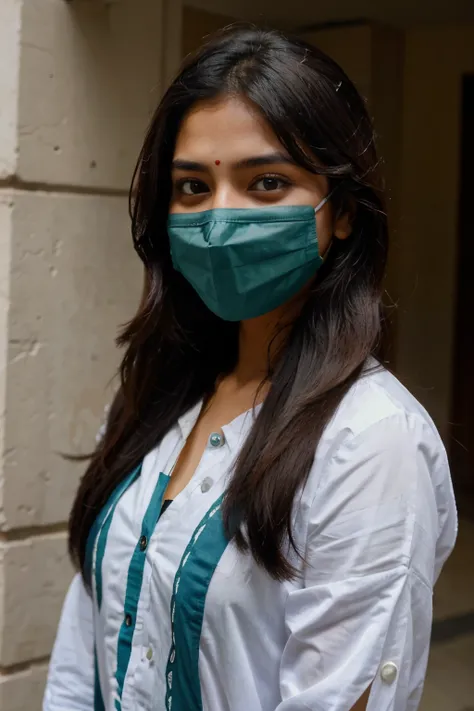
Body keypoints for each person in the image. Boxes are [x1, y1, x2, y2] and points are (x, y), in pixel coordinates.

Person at [43, 26, 457, 711]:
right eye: (193, 187)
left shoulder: (370, 441)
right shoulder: (151, 395)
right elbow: (78, 651)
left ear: (343, 212)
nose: (220, 218)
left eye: (267, 182)